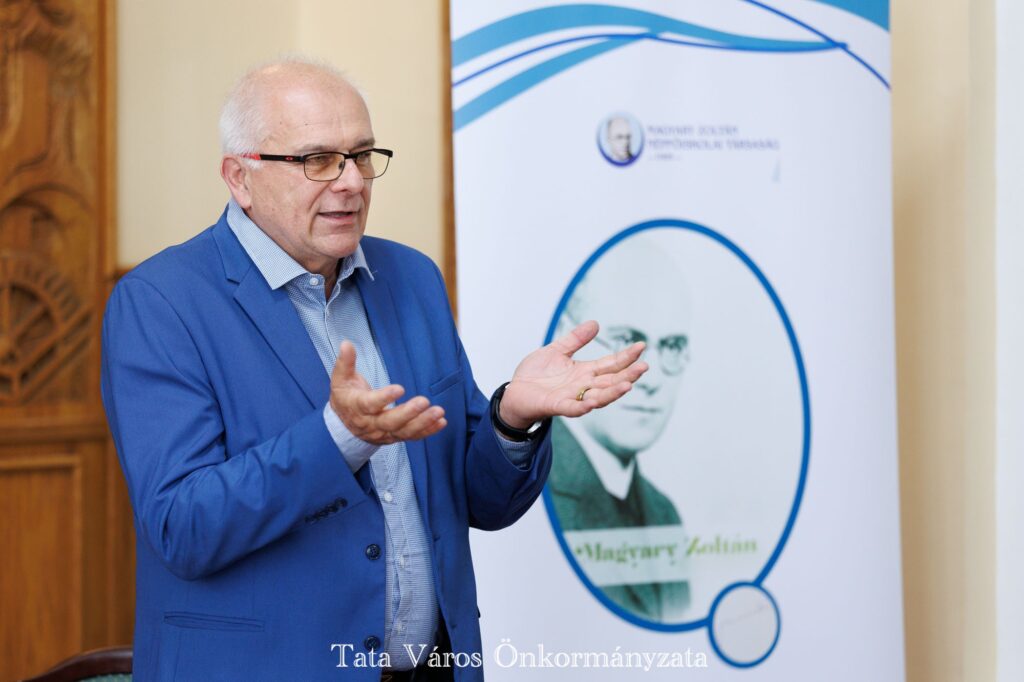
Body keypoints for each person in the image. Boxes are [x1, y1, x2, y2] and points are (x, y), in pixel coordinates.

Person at [100, 58, 647, 681]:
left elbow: (479, 502)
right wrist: (338, 439)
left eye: (362, 155)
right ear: (239, 177)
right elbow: (182, 526)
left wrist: (511, 420)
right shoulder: (161, 302)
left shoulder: (411, 278)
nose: (352, 182)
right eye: (318, 160)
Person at [547, 234, 692, 623]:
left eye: (672, 346)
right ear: (566, 338)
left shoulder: (665, 515)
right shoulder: (528, 491)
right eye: (627, 340)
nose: (652, 376)